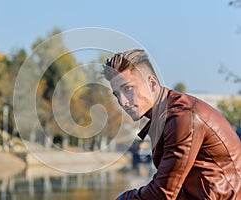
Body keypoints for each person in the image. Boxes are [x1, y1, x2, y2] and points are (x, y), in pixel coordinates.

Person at [102, 49, 241, 199]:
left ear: (152, 83)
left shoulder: (183, 117)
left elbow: (162, 194)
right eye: (117, 94)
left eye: (128, 89)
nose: (123, 102)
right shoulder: (166, 117)